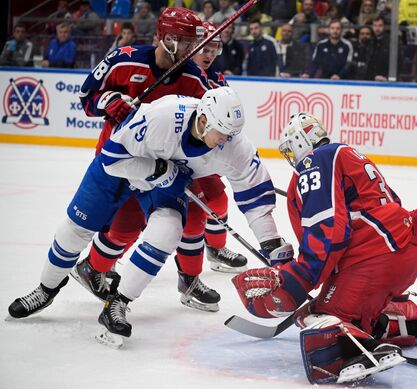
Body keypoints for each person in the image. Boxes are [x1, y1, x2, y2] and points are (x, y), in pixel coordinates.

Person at [8, 88, 292, 344]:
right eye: (222, 134)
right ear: (204, 121)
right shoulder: (164, 116)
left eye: (231, 135)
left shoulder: (234, 144)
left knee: (168, 230)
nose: (226, 141)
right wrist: (158, 170)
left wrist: (270, 242)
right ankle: (46, 290)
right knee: (75, 230)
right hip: (120, 171)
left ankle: (117, 304)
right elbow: (112, 159)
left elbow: (255, 194)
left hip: (165, 182)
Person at [233, 112, 417, 384]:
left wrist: (298, 278)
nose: (293, 157)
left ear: (299, 141)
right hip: (404, 254)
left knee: (316, 315)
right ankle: (406, 318)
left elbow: (329, 229)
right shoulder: (349, 155)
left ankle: (355, 353)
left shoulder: (315, 160)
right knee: (344, 307)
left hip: (374, 260)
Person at [73, 8, 216, 306]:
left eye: (194, 42)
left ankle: (189, 280)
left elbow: (214, 112)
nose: (194, 49)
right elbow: (87, 99)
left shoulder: (194, 76)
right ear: (166, 39)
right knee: (126, 224)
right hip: (121, 157)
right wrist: (109, 102)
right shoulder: (123, 59)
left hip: (167, 162)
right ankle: (91, 268)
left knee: (196, 215)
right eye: (186, 42)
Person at [174, 22, 248, 312]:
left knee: (217, 199)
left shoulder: (216, 77)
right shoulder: (177, 72)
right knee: (188, 217)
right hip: (171, 154)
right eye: (205, 47)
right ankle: (188, 279)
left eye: (215, 47)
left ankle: (215, 250)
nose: (210, 53)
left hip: (202, 155)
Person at [369, 17, 390, 81]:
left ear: (385, 27)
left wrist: (387, 77)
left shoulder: (391, 42)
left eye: (380, 26)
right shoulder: (371, 41)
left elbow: (398, 62)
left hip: (386, 79)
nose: (377, 28)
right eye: (375, 26)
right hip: (371, 79)